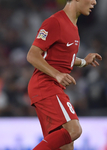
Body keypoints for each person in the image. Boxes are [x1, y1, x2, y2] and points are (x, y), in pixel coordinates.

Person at [27, 0, 102, 150]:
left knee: (66, 146)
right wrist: (57, 75)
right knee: (74, 130)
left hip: (51, 87)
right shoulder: (55, 22)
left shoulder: (73, 26)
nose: (94, 2)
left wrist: (83, 62)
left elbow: (62, 57)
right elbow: (32, 55)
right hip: (45, 85)